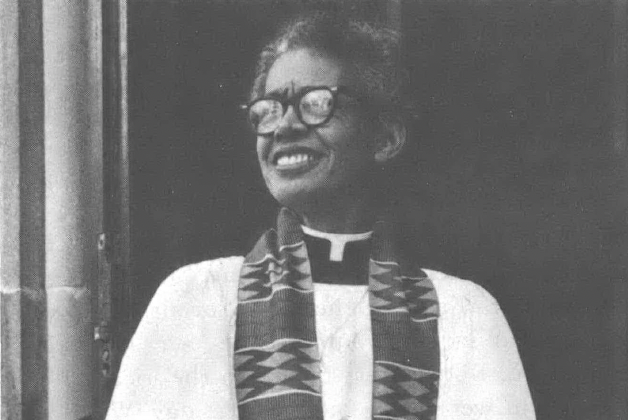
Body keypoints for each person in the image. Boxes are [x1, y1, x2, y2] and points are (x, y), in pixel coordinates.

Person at [106, 12, 535, 420]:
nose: (284, 127)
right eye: (270, 109)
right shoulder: (199, 301)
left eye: (317, 103)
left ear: (385, 137)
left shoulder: (462, 315)